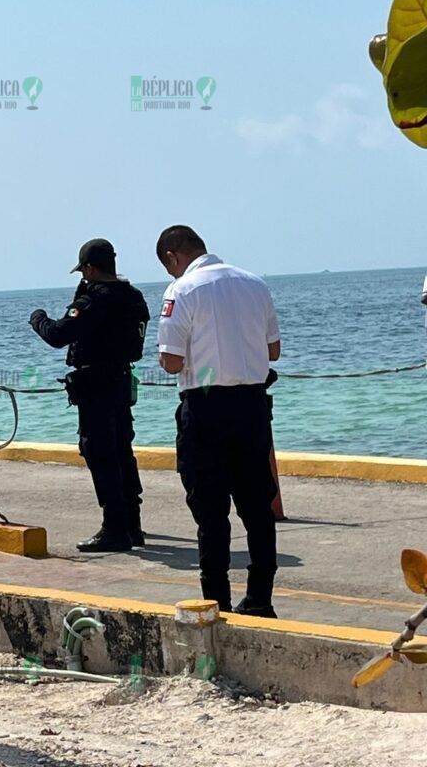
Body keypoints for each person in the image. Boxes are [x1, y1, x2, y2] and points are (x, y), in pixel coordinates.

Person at [156, 225, 281, 618]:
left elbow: (172, 360)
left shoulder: (182, 290)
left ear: (174, 257)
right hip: (252, 405)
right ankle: (260, 598)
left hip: (206, 407)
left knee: (210, 510)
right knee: (257, 507)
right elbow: (273, 350)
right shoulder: (255, 284)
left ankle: (217, 601)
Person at [29, 239, 151, 552]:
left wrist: (38, 318)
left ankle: (114, 529)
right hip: (122, 379)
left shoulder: (95, 299)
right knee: (122, 451)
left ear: (89, 268)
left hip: (97, 384)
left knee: (99, 452)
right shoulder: (133, 296)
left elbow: (58, 334)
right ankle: (132, 525)